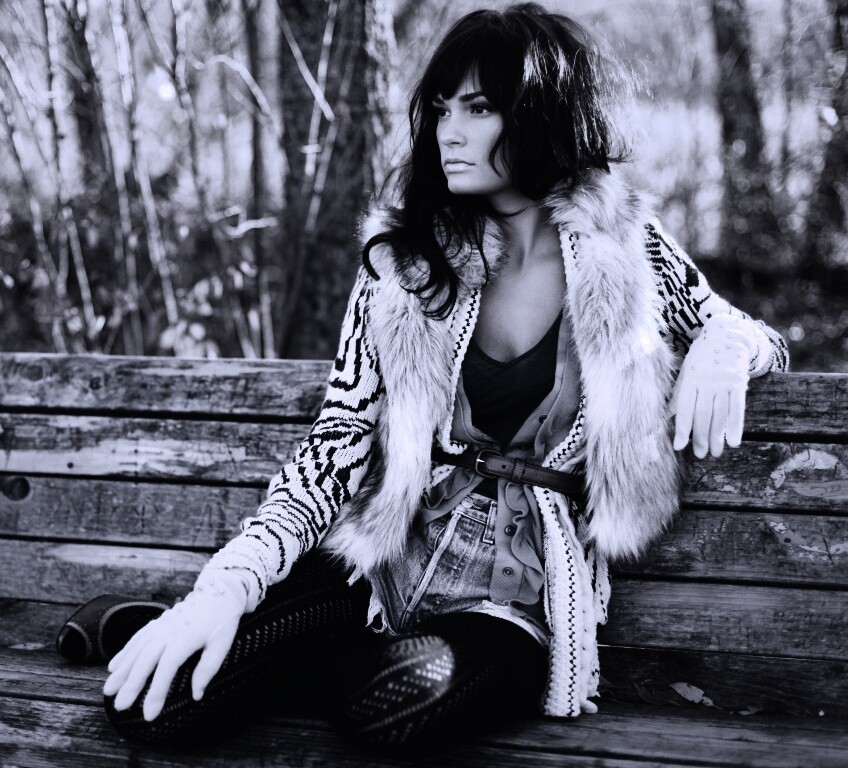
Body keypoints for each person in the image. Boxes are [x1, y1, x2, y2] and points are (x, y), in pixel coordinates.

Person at [56, 2, 790, 752]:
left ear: (540, 114)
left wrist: (724, 349)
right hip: (381, 564)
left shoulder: (624, 250)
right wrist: (225, 590)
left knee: (392, 707)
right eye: (441, 108)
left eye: (478, 107)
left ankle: (257, 647)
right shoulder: (406, 261)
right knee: (157, 706)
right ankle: (225, 632)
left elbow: (750, 333)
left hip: (511, 596)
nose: (449, 131)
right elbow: (338, 437)